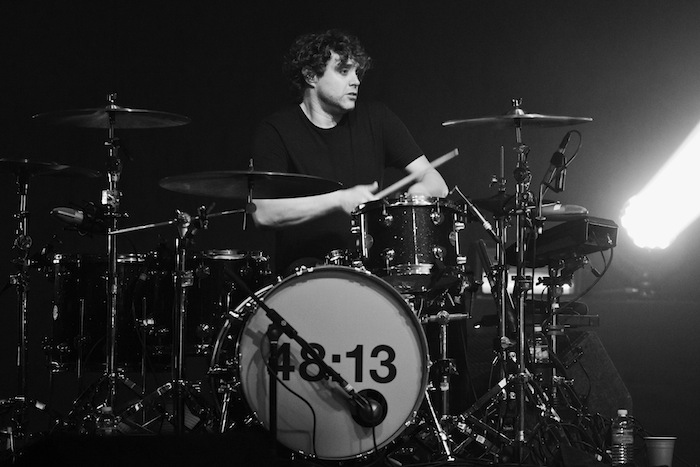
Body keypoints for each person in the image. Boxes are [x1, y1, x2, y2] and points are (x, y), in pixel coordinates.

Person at [251, 29, 448, 276]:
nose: (356, 81)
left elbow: (437, 183)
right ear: (311, 75)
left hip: (370, 272)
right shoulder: (276, 131)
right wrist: (338, 200)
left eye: (357, 72)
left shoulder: (378, 119)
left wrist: (421, 190)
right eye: (344, 71)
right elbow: (263, 214)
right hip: (304, 275)